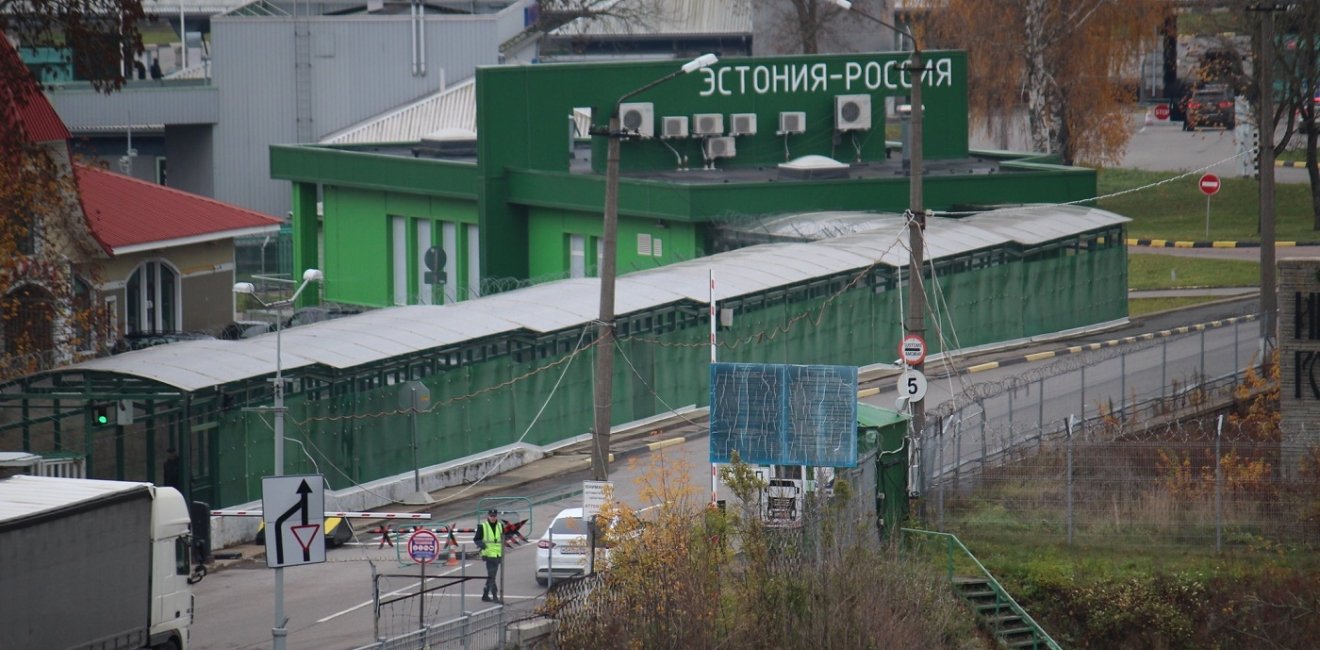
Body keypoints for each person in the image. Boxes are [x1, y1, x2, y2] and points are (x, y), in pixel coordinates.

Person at [473, 508, 504, 602]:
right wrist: (482, 545)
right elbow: (476, 539)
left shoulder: (500, 526)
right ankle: (495, 595)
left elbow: (503, 538)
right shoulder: (483, 526)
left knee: (491, 575)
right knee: (492, 576)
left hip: (498, 555)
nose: (493, 518)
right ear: (488, 516)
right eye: (491, 516)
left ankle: (485, 595)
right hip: (488, 555)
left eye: (494, 516)